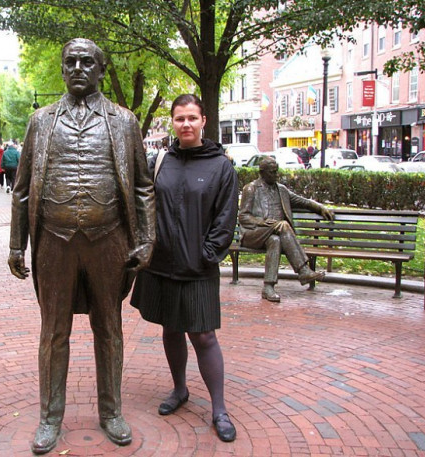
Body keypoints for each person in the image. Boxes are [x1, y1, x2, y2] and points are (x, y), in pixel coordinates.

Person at [8, 38, 155, 455]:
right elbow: (21, 190)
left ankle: (112, 412)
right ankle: (49, 418)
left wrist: (146, 238)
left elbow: (143, 186)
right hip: (54, 241)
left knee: (108, 327)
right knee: (53, 332)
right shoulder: (40, 120)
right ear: (61, 68)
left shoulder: (124, 121)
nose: (77, 68)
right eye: (70, 61)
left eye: (86, 62)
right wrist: (17, 244)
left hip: (108, 239)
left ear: (101, 69)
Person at [130, 94, 239, 443]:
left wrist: (206, 255)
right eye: (180, 119)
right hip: (161, 263)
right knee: (171, 328)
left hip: (197, 266)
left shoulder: (221, 166)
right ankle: (179, 390)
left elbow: (225, 219)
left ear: (203, 120)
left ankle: (219, 409)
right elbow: (143, 203)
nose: (186, 124)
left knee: (203, 335)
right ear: (173, 122)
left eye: (192, 118)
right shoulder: (161, 160)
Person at [238, 156, 334, 302]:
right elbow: (243, 216)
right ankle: (303, 270)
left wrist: (320, 207)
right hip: (253, 234)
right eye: (272, 172)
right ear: (262, 172)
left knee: (275, 240)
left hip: (275, 235)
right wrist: (262, 222)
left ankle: (268, 287)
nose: (276, 175)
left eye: (277, 172)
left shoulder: (281, 190)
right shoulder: (251, 189)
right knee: (282, 225)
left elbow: (303, 201)